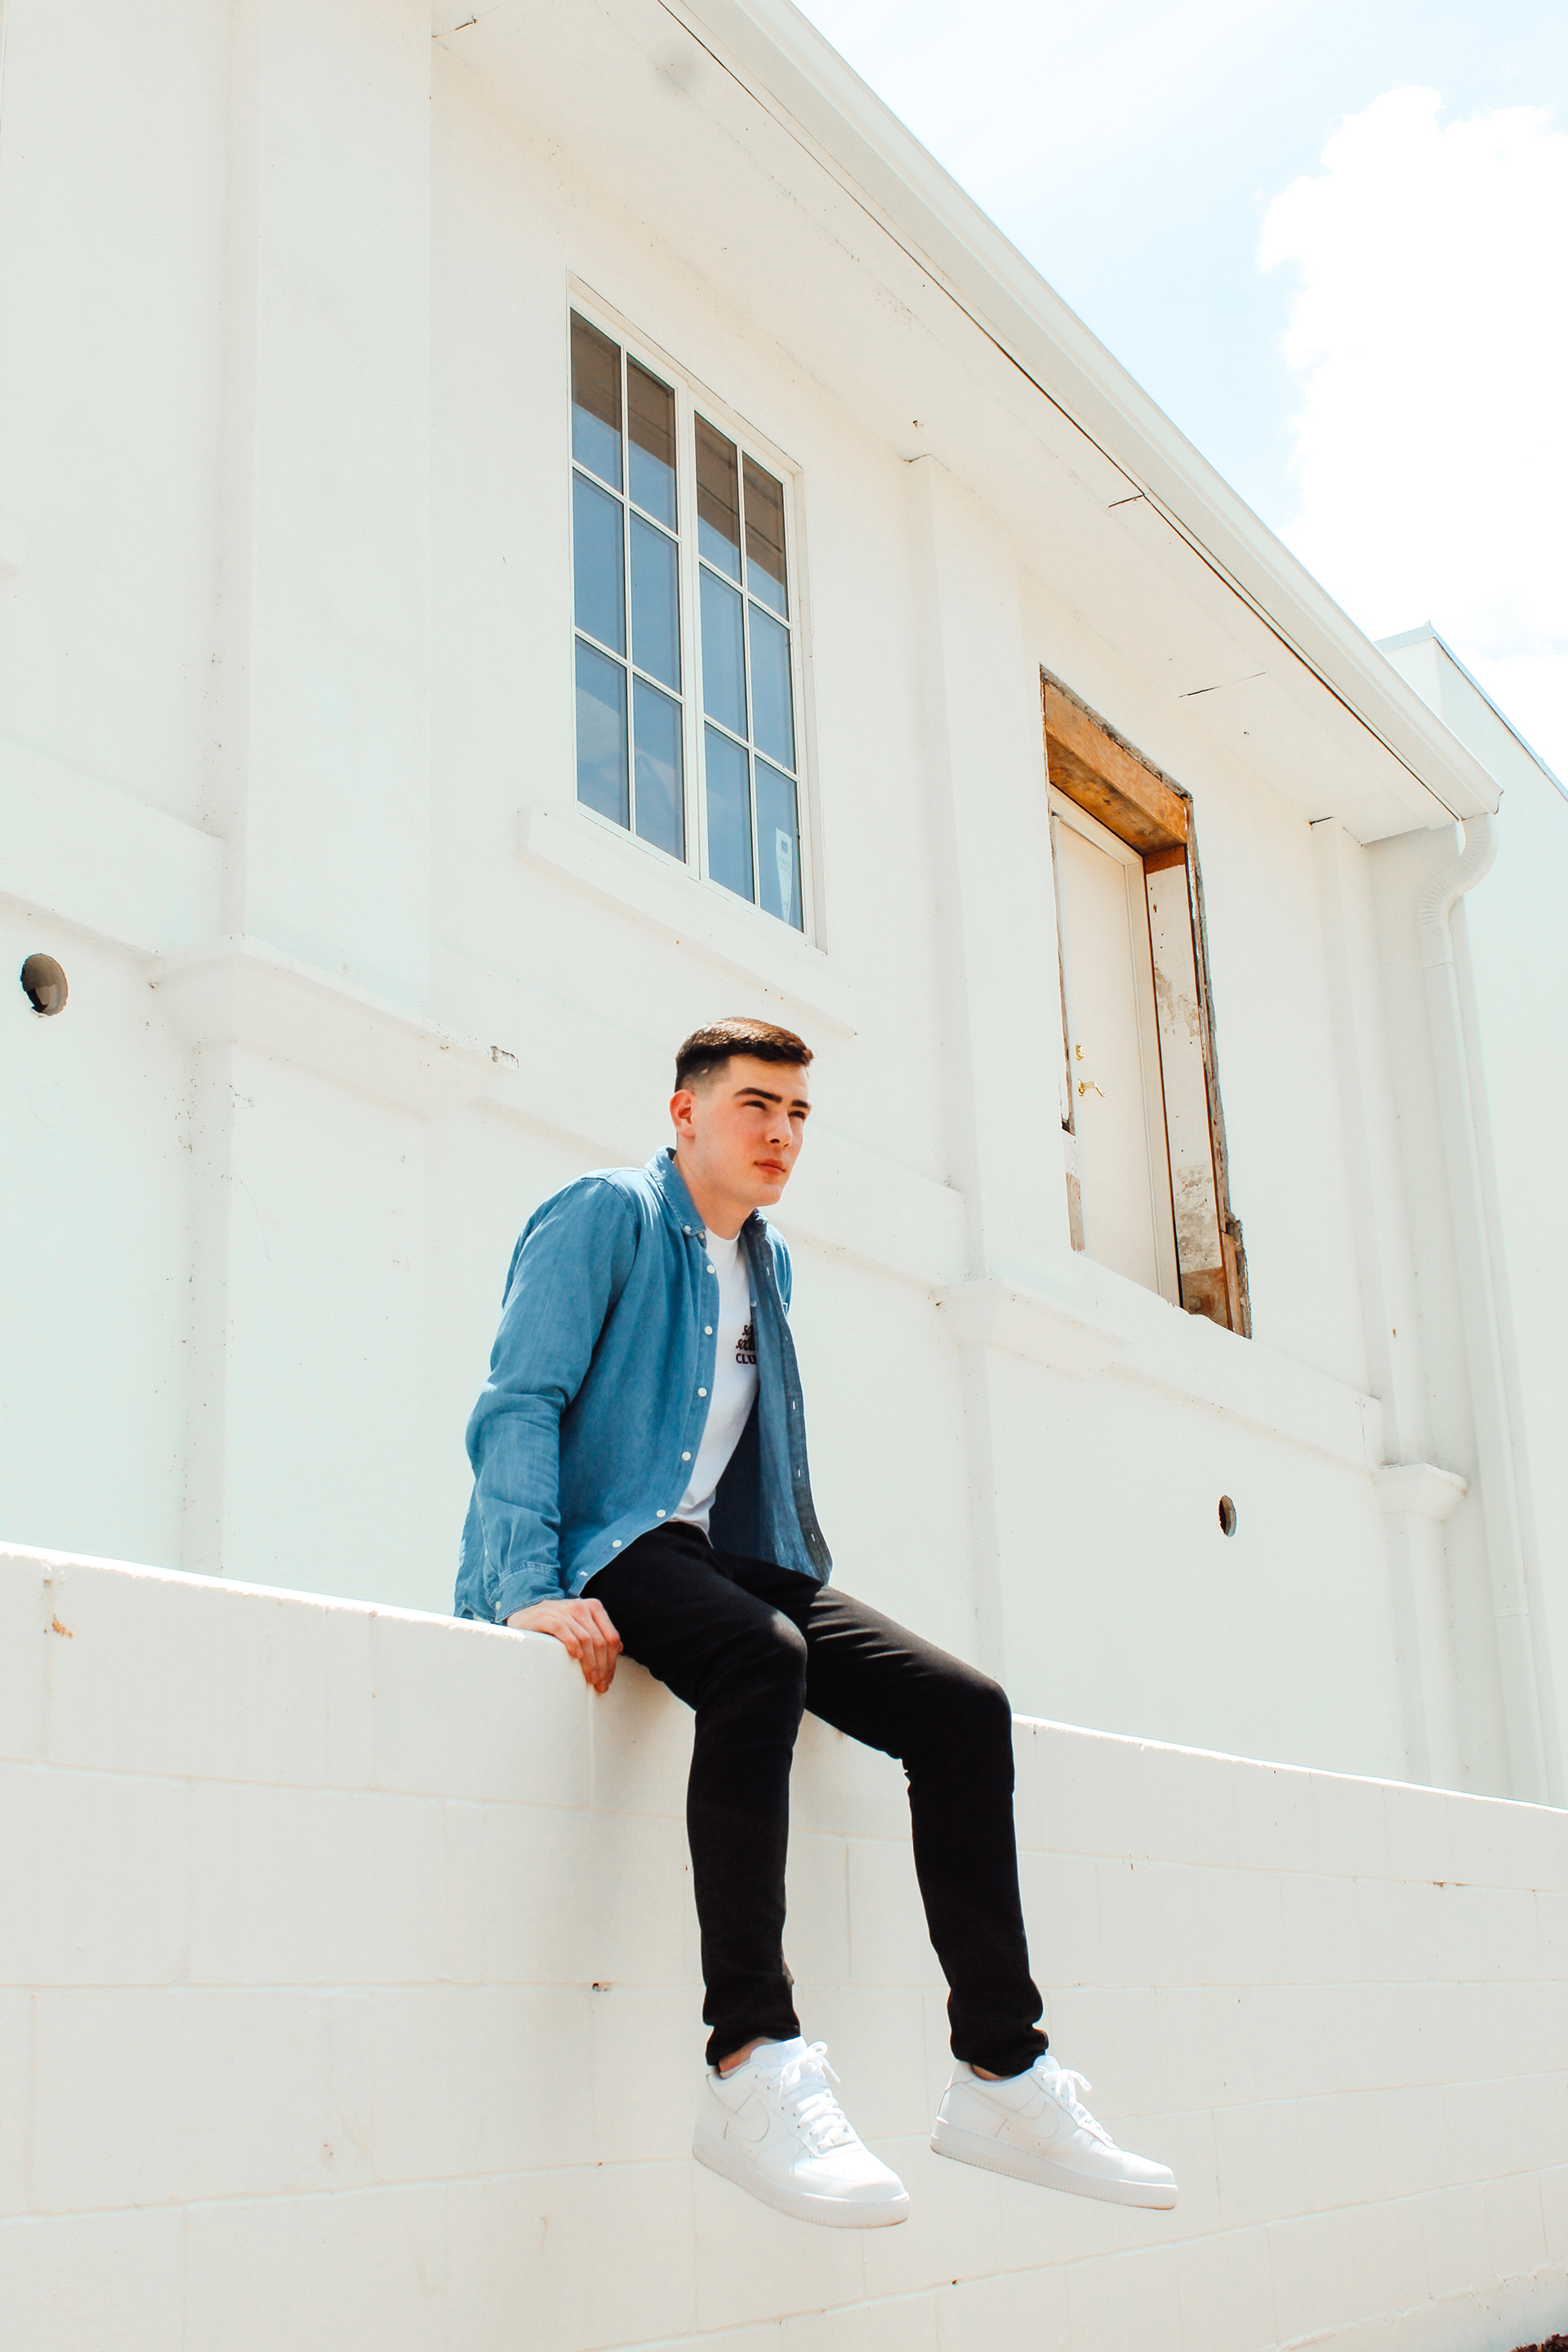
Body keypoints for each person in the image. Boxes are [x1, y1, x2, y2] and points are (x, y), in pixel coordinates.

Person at [457, 1017, 1177, 2228]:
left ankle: (1002, 2072)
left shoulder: (767, 1262)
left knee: (962, 1711)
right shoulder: (606, 1215)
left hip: (717, 1559)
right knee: (762, 1655)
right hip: (605, 1547)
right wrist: (524, 1585)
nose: (781, 1134)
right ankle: (750, 2060)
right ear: (685, 1112)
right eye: (755, 1106)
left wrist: (787, 1581)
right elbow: (519, 1400)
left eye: (796, 1114)